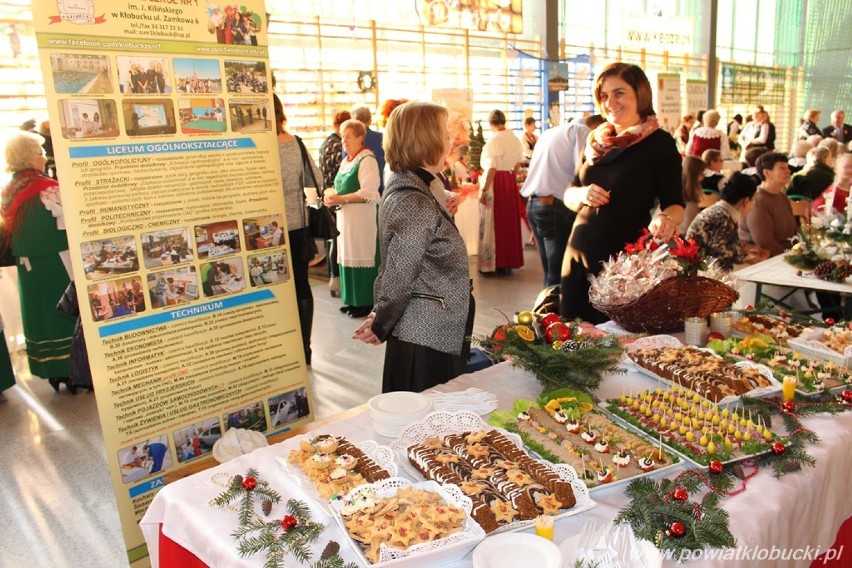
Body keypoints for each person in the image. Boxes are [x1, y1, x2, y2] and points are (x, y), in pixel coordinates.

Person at [353, 101, 473, 392]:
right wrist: (381, 324)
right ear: (426, 139)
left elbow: (398, 262)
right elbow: (400, 272)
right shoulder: (412, 199)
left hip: (430, 331)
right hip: (426, 337)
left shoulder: (419, 187)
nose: (450, 140)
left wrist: (378, 314)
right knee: (426, 422)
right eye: (444, 133)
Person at [560, 62, 684, 322]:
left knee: (611, 342)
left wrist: (665, 220)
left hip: (622, 265)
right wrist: (582, 194)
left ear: (640, 94)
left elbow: (675, 204)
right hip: (576, 255)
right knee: (570, 337)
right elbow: (569, 194)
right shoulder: (596, 141)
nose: (610, 102)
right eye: (603, 96)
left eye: (619, 93)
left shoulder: (659, 143)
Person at [1, 132, 75, 393]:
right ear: (29, 157)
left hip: (28, 265)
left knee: (39, 315)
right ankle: (71, 366)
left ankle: (50, 368)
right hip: (54, 261)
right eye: (40, 152)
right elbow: (69, 223)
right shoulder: (45, 188)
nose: (44, 157)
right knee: (62, 312)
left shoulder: (10, 190)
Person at [274, 95, 322, 364]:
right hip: (297, 226)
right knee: (302, 286)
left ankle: (282, 346)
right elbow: (317, 179)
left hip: (264, 231)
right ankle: (305, 347)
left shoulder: (255, 147)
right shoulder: (296, 144)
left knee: (274, 288)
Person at [519, 117, 591, 287]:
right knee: (558, 274)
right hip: (554, 205)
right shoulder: (582, 132)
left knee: (550, 272)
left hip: (534, 205)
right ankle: (553, 313)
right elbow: (582, 170)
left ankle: (547, 311)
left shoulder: (549, 133)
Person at [324, 118, 381, 319]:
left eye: (348, 137)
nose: (344, 141)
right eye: (342, 137)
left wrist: (341, 198)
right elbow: (339, 186)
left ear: (360, 137)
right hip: (346, 219)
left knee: (361, 255)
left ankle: (366, 301)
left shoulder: (367, 160)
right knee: (347, 255)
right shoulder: (347, 161)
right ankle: (352, 299)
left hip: (362, 220)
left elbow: (369, 192)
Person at [686, 172, 768, 271]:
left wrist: (748, 255)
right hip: (698, 273)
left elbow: (729, 250)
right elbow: (723, 264)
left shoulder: (720, 212)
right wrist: (749, 258)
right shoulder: (721, 219)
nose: (753, 205)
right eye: (753, 200)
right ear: (746, 201)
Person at [478, 109, 525, 273]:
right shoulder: (514, 138)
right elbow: (519, 162)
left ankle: (495, 263)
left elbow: (491, 167)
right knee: (509, 221)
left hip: (496, 182)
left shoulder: (494, 140)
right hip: (509, 179)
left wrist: (484, 189)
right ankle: (508, 261)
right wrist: (511, 174)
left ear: (491, 123)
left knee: (495, 222)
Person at [318, 109, 351, 298]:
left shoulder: (325, 143)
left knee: (333, 240)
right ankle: (336, 279)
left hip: (328, 196)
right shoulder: (339, 146)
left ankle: (333, 279)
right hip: (337, 198)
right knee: (338, 241)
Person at [738, 152, 796, 257]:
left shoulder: (782, 196)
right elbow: (764, 242)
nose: (788, 171)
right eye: (782, 168)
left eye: (787, 167)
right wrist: (791, 257)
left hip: (785, 253)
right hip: (762, 258)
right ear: (767, 173)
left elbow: (792, 231)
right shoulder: (758, 201)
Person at [351, 106, 386, 195]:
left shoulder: (349, 141)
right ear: (370, 120)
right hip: (381, 188)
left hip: (355, 191)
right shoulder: (382, 137)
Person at [679, 155, 705, 234]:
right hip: (681, 237)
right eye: (701, 173)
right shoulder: (688, 201)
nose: (703, 177)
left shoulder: (685, 192)